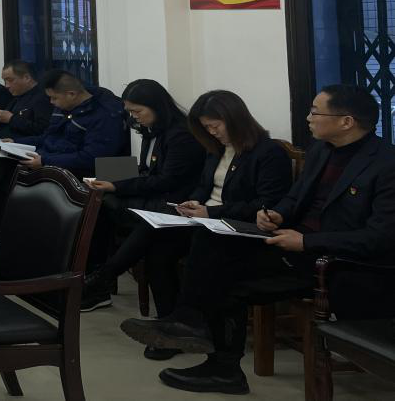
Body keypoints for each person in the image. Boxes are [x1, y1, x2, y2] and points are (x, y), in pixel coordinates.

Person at [122, 85, 395, 393]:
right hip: (292, 243)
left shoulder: (386, 164)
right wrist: (276, 214)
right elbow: (294, 198)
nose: (308, 118)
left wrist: (307, 243)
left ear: (346, 121)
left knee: (226, 279)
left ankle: (215, 356)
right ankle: (196, 329)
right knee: (212, 241)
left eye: (315, 112)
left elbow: (380, 238)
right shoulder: (322, 150)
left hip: (336, 263)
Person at [80, 79, 207, 313]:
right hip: (155, 195)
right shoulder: (152, 129)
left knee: (143, 227)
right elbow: (146, 168)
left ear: (157, 106)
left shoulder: (181, 135)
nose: (134, 117)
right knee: (95, 200)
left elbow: (166, 180)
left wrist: (116, 185)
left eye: (137, 111)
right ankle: (96, 275)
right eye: (130, 112)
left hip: (173, 199)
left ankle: (101, 278)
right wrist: (110, 178)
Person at [11, 69, 128, 177]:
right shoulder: (64, 107)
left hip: (79, 172)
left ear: (71, 94)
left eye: (54, 98)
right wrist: (15, 143)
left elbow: (91, 158)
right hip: (51, 159)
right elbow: (48, 137)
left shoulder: (104, 115)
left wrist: (45, 161)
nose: (51, 102)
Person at [0, 59, 54, 139]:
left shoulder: (42, 98)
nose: (6, 85)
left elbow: (42, 129)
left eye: (10, 80)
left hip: (22, 144)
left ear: (27, 78)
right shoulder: (17, 95)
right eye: (5, 81)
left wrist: (11, 119)